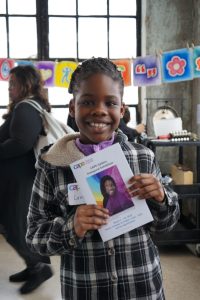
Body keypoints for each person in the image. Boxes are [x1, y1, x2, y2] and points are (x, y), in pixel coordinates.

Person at [26, 57, 180, 300]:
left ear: (122, 109)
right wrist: (72, 226)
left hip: (142, 287)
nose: (99, 110)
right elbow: (35, 237)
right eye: (87, 101)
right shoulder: (52, 164)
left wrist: (161, 198)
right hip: (86, 289)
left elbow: (165, 226)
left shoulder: (143, 157)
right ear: (72, 107)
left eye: (110, 102)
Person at [0, 65, 53, 294]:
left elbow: (21, 143)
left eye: (13, 85)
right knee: (13, 224)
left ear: (26, 84)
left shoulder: (26, 108)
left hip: (21, 179)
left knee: (15, 225)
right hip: (17, 178)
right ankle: (33, 265)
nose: (9, 89)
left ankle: (39, 266)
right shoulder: (26, 107)